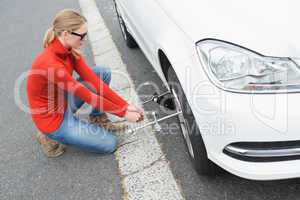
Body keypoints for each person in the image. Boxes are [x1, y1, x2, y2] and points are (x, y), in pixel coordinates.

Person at [26, 9, 143, 157]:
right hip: (53, 120)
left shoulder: (69, 49)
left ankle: (97, 119)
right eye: (82, 36)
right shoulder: (51, 63)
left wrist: (125, 106)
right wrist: (123, 113)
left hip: (64, 101)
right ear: (66, 34)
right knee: (110, 144)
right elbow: (87, 95)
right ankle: (47, 135)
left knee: (101, 73)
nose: (84, 39)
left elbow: (93, 81)